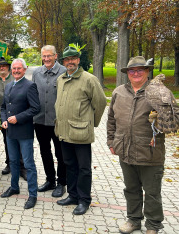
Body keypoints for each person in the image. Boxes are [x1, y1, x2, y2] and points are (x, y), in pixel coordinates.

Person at [107, 56, 177, 234]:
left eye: (140, 69)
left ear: (147, 71)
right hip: (125, 148)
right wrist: (111, 141)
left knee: (152, 192)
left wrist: (161, 117)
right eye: (132, 70)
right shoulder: (119, 92)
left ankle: (153, 225)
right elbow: (111, 120)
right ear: (127, 73)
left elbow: (174, 118)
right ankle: (134, 220)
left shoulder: (159, 92)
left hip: (150, 150)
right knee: (131, 189)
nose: (136, 73)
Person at [54, 46, 106, 215]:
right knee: (70, 165)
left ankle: (84, 200)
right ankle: (73, 195)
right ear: (63, 62)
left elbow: (100, 102)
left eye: (73, 59)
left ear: (78, 60)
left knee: (84, 168)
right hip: (64, 131)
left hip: (81, 133)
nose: (70, 62)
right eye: (67, 59)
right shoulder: (61, 79)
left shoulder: (88, 79)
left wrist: (92, 123)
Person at [0, 58, 40, 209]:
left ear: (24, 69)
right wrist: (4, 120)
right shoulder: (9, 85)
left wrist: (18, 117)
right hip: (10, 131)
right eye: (14, 68)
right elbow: (4, 107)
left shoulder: (30, 86)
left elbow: (35, 108)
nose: (16, 71)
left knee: (29, 164)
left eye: (19, 68)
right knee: (14, 162)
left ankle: (33, 194)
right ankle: (14, 187)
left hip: (24, 131)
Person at [32, 45, 67, 198]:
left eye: (49, 56)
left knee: (60, 154)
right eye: (44, 56)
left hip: (57, 121)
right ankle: (50, 180)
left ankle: (61, 183)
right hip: (39, 120)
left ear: (55, 56)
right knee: (45, 151)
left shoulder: (64, 72)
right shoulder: (36, 73)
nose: (46, 59)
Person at [0, 57, 27, 180]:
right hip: (3, 118)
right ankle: (9, 164)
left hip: (17, 117)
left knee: (20, 142)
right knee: (7, 141)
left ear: (8, 67)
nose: (2, 68)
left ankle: (22, 168)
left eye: (4, 66)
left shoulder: (15, 79)